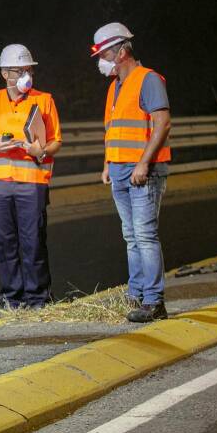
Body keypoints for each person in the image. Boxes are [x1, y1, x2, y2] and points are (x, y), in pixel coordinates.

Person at [90, 22, 171, 323]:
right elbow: (113, 130)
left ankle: (154, 301)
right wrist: (107, 164)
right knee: (131, 236)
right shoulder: (114, 87)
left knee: (145, 235)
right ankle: (137, 294)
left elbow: (162, 123)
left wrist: (144, 163)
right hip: (121, 169)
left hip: (143, 171)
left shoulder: (147, 79)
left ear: (122, 51)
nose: (101, 60)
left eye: (104, 53)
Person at [0, 44, 62, 308]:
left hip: (32, 184)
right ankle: (13, 297)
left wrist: (40, 150)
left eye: (28, 69)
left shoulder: (44, 100)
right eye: (18, 70)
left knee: (33, 241)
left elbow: (56, 141)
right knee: (3, 242)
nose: (25, 74)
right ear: (4, 74)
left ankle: (38, 297)